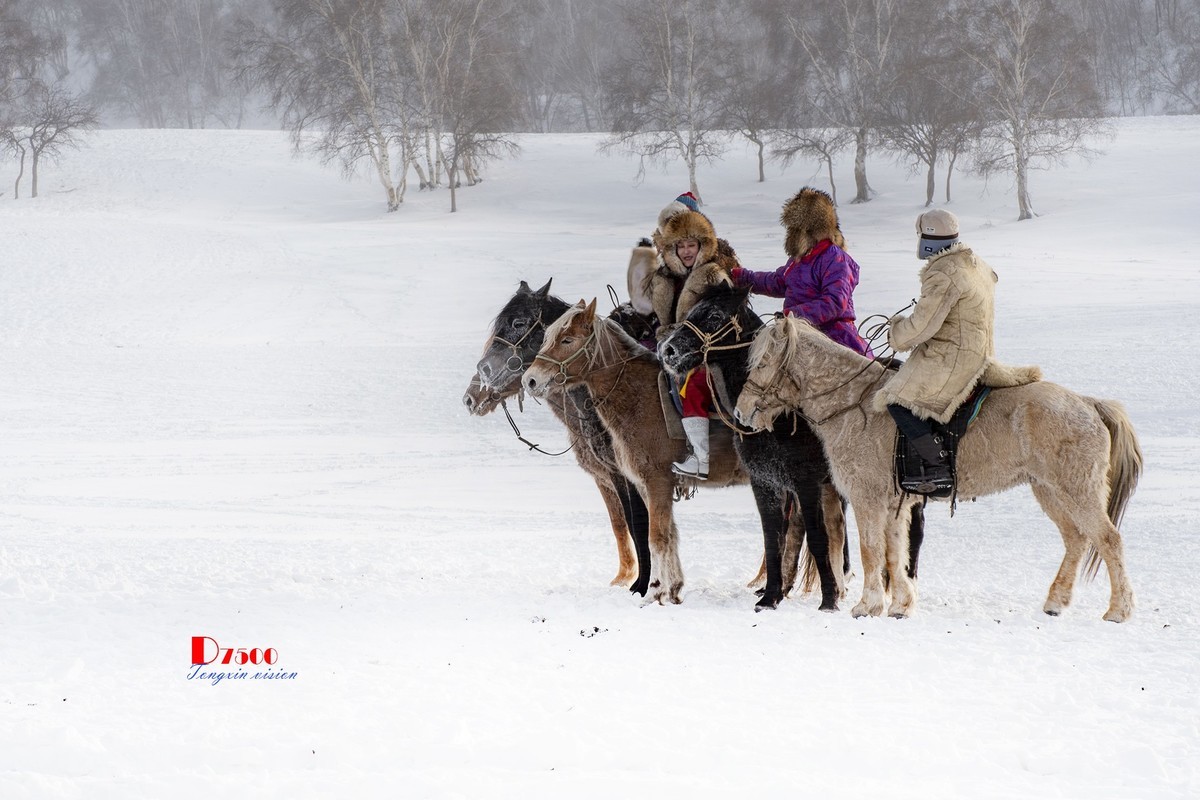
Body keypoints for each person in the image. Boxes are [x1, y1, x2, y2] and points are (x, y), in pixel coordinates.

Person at [872, 209, 1039, 495]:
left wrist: (895, 332)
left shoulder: (943, 273)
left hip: (951, 359)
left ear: (928, 238)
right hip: (979, 353)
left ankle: (935, 465)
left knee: (896, 399)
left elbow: (921, 327)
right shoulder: (974, 264)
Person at [642, 192, 738, 479]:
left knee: (693, 385)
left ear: (701, 246)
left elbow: (727, 314)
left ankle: (701, 456)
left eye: (691, 245)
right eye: (680, 246)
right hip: (672, 349)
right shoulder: (663, 277)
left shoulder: (713, 274)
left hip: (708, 350)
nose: (686, 251)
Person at [730, 187, 874, 357]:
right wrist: (741, 277)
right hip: (798, 333)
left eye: (795, 229)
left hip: (834, 336)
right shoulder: (799, 260)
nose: (791, 234)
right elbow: (777, 282)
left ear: (810, 230)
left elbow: (834, 302)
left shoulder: (836, 259)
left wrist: (793, 315)